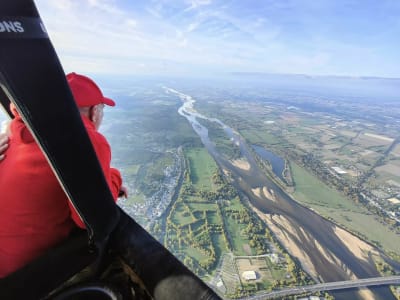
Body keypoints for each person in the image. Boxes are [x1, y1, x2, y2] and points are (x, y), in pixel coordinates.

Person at [0, 72, 126, 278]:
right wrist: (114, 177)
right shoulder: (87, 141)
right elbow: (89, 219)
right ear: (94, 112)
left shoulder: (15, 130)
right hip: (20, 277)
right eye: (102, 110)